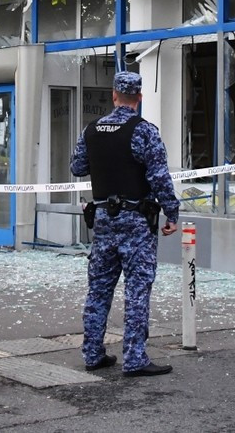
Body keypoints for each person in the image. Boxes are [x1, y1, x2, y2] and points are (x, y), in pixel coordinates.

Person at [70, 70, 180, 377]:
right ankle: (134, 358)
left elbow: (77, 167)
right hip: (136, 223)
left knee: (98, 289)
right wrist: (172, 213)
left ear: (114, 95)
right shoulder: (144, 131)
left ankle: (93, 353)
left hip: (103, 221)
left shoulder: (91, 130)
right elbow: (159, 178)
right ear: (139, 98)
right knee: (137, 290)